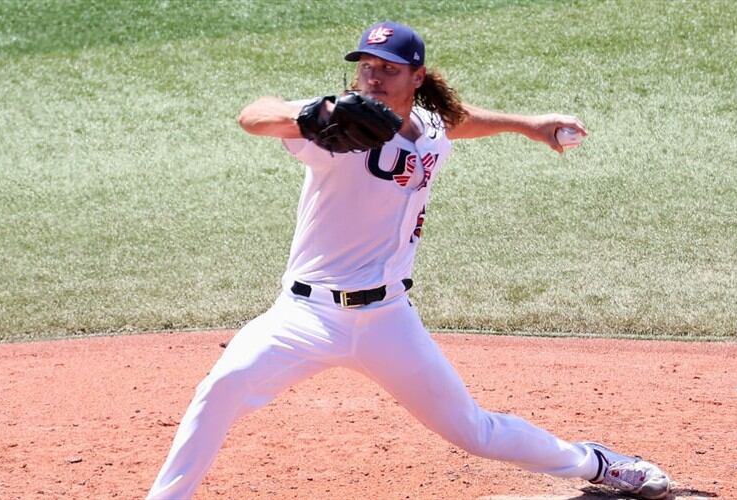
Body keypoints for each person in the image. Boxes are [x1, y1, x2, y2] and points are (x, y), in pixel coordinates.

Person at [147, 20, 671, 500]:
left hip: (388, 319)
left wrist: (528, 124)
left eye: (389, 69)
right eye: (366, 66)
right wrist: (310, 115)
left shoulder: (429, 125)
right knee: (220, 389)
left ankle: (597, 463)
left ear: (417, 77)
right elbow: (254, 115)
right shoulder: (333, 125)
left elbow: (455, 121)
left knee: (473, 431)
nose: (373, 77)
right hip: (305, 316)